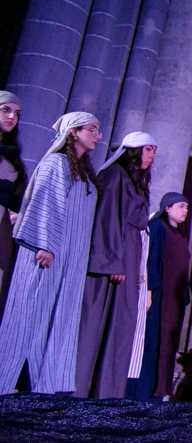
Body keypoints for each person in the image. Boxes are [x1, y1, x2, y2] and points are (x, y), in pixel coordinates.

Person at [0, 112, 102, 394]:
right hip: (45, 252)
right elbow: (45, 202)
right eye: (92, 129)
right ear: (73, 132)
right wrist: (45, 243)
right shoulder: (55, 163)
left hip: (70, 258)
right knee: (27, 313)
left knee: (57, 317)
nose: (98, 136)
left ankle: (45, 385)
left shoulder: (83, 172)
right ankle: (3, 382)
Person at [75, 131, 157, 399]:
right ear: (133, 150)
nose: (152, 155)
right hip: (114, 259)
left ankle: (107, 393)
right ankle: (80, 389)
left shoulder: (135, 181)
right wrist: (114, 262)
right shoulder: (115, 176)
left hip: (129, 258)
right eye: (148, 149)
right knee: (96, 325)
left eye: (154, 150)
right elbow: (107, 219)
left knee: (121, 325)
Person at [126, 192, 191, 401]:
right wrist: (150, 290)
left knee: (167, 346)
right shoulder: (157, 228)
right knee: (151, 343)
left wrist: (184, 296)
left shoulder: (180, 236)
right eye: (181, 206)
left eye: (187, 207)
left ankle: (159, 393)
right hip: (158, 297)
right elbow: (151, 259)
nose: (185, 211)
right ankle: (141, 394)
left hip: (173, 302)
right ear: (167, 208)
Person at [0, 91, 26, 319]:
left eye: (17, 114)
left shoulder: (13, 156)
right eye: (5, 110)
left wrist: (15, 214)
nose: (12, 117)